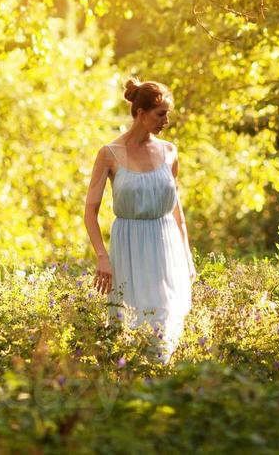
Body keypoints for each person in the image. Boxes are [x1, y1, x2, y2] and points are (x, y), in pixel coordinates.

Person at [83, 78, 195, 363]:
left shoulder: (169, 152)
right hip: (128, 247)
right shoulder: (109, 154)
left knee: (163, 322)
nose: (166, 121)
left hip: (166, 246)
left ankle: (159, 389)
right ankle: (128, 391)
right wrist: (102, 257)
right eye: (161, 114)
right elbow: (90, 212)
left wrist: (187, 254)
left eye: (168, 113)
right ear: (141, 113)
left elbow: (176, 210)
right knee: (128, 325)